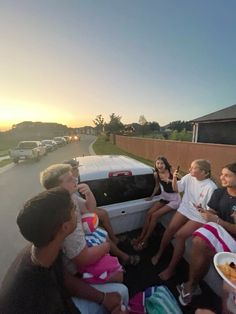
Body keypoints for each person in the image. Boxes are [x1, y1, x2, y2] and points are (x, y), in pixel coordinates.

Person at [0, 188, 129, 314]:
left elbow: (65, 279)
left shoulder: (44, 249)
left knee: (120, 292)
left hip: (62, 298)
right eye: (74, 209)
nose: (77, 212)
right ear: (65, 227)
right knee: (121, 294)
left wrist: (103, 298)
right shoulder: (39, 294)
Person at [40, 164, 124, 285]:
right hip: (77, 267)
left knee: (102, 233)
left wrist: (89, 193)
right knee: (119, 276)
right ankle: (88, 280)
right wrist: (106, 246)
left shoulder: (71, 196)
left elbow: (91, 210)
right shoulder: (64, 219)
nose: (75, 180)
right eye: (69, 180)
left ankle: (120, 257)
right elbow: (82, 259)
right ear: (56, 188)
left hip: (83, 243)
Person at [177, 162, 236, 307]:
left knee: (202, 242)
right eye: (222, 174)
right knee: (198, 241)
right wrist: (205, 212)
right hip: (221, 232)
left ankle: (191, 286)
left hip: (232, 236)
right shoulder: (219, 193)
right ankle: (192, 285)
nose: (222, 178)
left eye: (227, 175)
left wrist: (216, 220)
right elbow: (213, 213)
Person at [151, 159, 217, 280]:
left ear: (204, 172)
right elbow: (177, 189)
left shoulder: (211, 187)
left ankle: (171, 269)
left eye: (193, 168)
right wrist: (175, 179)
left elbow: (209, 212)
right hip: (185, 208)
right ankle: (160, 252)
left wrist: (201, 210)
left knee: (180, 235)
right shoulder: (188, 177)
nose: (189, 169)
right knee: (170, 228)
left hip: (198, 216)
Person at [63, 159, 120, 244]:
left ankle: (114, 239)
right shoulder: (69, 188)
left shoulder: (75, 181)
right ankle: (115, 244)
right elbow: (89, 210)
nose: (78, 171)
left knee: (103, 213)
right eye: (76, 169)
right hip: (78, 217)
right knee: (101, 229)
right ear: (70, 171)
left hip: (82, 209)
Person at [131, 156, 181, 251]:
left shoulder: (171, 171)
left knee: (154, 216)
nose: (159, 165)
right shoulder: (156, 174)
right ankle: (141, 236)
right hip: (164, 197)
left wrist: (170, 180)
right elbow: (157, 186)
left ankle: (145, 240)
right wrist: (152, 196)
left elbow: (182, 183)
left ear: (165, 164)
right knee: (149, 213)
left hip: (174, 200)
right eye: (158, 163)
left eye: (161, 163)